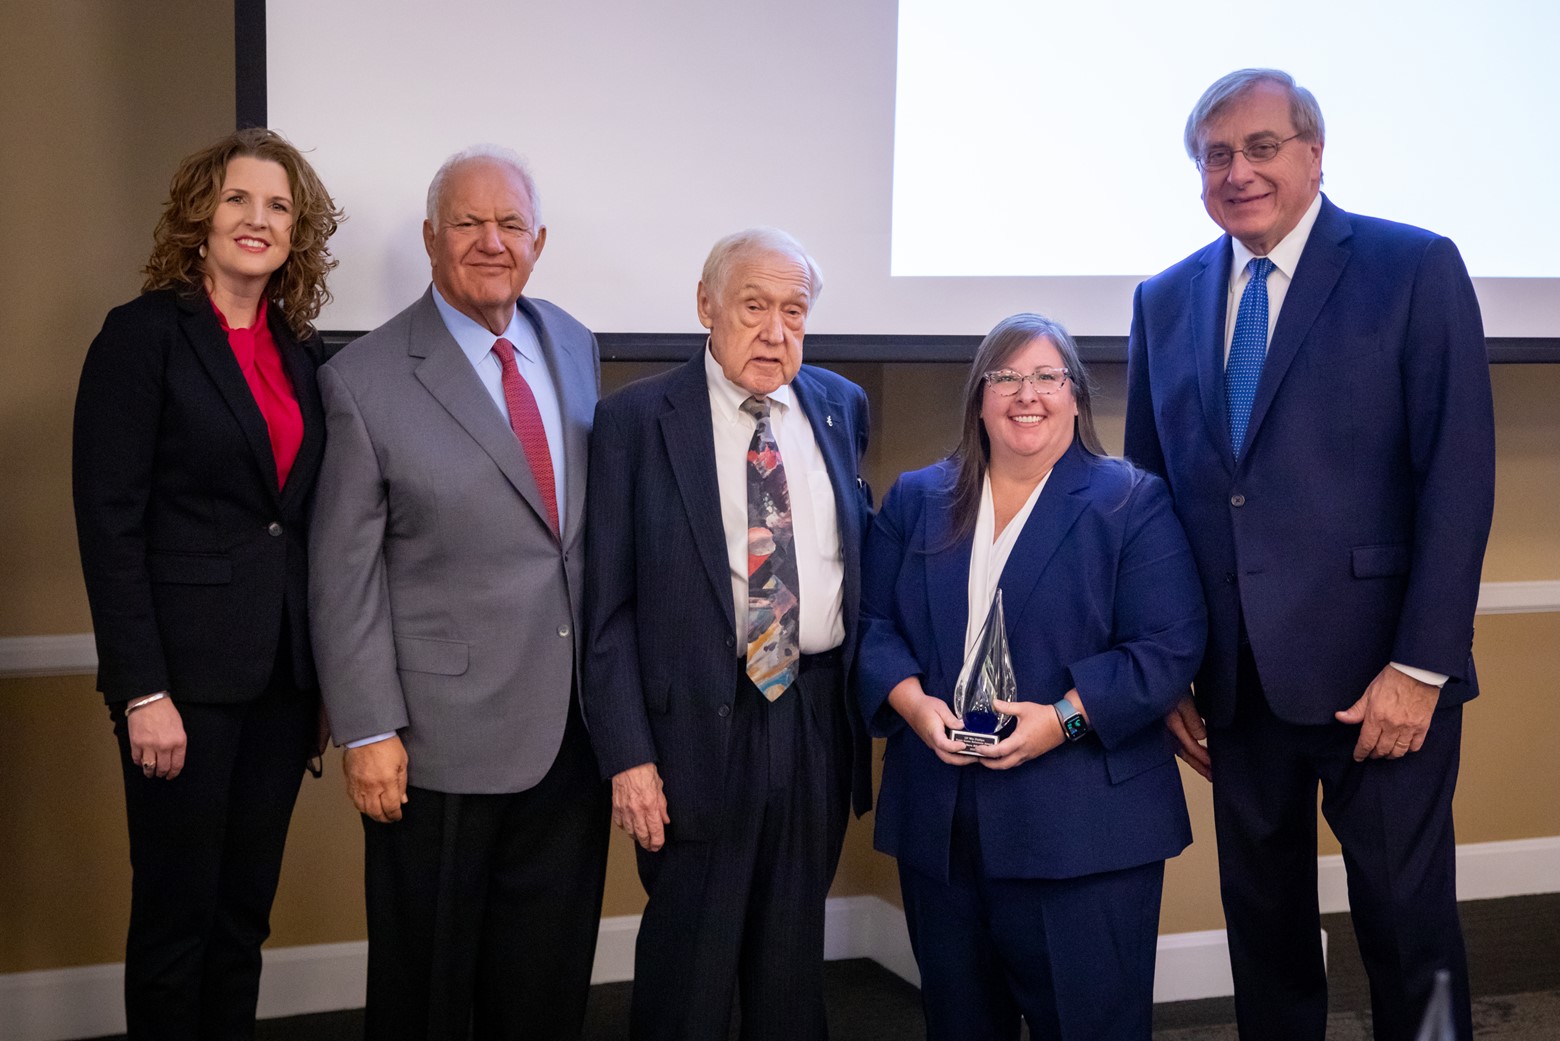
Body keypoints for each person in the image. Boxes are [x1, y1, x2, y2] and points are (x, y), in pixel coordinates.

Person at [1123, 68, 1496, 1041]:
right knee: (1266, 930)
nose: (1237, 171)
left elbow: (1457, 476)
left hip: (1383, 678)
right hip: (1235, 687)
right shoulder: (1162, 300)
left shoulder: (1412, 267)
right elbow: (1151, 500)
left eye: (1260, 147)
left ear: (1314, 154)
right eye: (1216, 155)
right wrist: (1167, 670)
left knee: (1408, 927)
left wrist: (1421, 667)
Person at [307, 145, 609, 1041]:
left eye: (510, 223)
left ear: (539, 241)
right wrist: (367, 730)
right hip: (435, 743)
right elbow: (342, 574)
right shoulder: (361, 379)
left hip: (571, 734)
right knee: (427, 990)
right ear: (434, 238)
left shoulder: (574, 343)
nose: (491, 240)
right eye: (468, 223)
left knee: (548, 984)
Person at [858, 313, 1206, 1040]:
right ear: (979, 398)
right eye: (1007, 377)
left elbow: (1168, 646)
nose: (1028, 394)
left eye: (1048, 377)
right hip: (943, 829)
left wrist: (1064, 717)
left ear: (1076, 397)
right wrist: (914, 703)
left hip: (1085, 838)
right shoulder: (917, 499)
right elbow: (871, 625)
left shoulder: (1130, 501)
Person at [72, 127, 342, 1041]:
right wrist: (141, 688)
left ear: (295, 233)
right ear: (201, 215)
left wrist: (319, 681)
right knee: (177, 921)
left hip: (278, 686)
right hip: (178, 686)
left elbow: (295, 526)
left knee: (242, 919)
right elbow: (109, 526)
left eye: (278, 206)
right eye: (238, 199)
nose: (257, 219)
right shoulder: (142, 336)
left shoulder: (301, 354)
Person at [584, 227, 874, 1041]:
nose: (775, 332)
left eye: (794, 310)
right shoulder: (637, 420)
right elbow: (607, 612)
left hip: (814, 714)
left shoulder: (839, 405)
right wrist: (628, 755)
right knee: (690, 973)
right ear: (706, 305)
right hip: (696, 728)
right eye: (754, 306)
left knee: (791, 971)